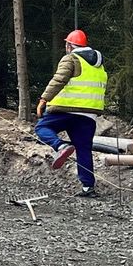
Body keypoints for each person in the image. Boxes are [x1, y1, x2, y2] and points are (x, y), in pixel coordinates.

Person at [34, 30, 106, 197]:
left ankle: (61, 146)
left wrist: (44, 99)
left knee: (41, 128)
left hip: (65, 109)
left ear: (69, 45)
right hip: (89, 114)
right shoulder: (99, 65)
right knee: (83, 149)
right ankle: (88, 188)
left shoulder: (71, 59)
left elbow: (59, 80)